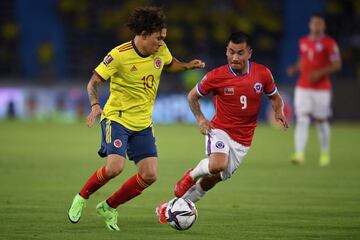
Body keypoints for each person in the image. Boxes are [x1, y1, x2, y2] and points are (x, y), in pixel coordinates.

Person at [67, 6, 205, 231]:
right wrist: (94, 106)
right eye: (158, 38)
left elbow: (170, 63)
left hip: (143, 123)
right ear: (143, 34)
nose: (161, 43)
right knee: (114, 167)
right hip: (117, 119)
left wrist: (187, 65)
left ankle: (109, 207)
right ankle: (82, 197)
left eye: (163, 38)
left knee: (150, 175)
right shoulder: (118, 55)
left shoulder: (160, 50)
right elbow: (94, 82)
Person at [156, 31, 288, 223]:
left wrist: (279, 111)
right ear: (226, 52)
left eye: (240, 52)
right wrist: (201, 118)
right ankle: (191, 175)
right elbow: (192, 96)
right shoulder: (216, 76)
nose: (235, 57)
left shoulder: (263, 73)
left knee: (213, 179)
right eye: (231, 52)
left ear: (249, 53)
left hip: (243, 140)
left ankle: (169, 208)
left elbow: (275, 97)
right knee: (217, 164)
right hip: (219, 130)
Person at [287, 14, 341, 166]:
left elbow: (337, 64)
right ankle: (299, 153)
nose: (316, 26)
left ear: (323, 26)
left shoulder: (329, 43)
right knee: (302, 119)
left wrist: (320, 73)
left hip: (321, 89)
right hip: (303, 86)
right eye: (314, 23)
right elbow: (304, 60)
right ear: (310, 25)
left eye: (319, 23)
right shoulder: (303, 41)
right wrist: (295, 68)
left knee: (321, 120)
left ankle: (324, 153)